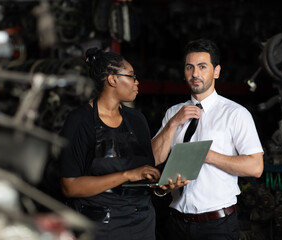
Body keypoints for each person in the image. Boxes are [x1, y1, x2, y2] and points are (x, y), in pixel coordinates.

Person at [59, 47, 187, 240]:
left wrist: (161, 187)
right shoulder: (79, 121)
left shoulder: (137, 119)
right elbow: (70, 186)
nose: (137, 82)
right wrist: (127, 175)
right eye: (131, 76)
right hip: (100, 224)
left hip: (141, 222)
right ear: (112, 79)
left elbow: (143, 173)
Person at [151, 38, 264, 240]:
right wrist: (173, 124)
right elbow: (155, 159)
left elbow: (255, 167)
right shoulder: (173, 112)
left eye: (202, 67)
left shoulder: (235, 113)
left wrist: (206, 155)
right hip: (176, 222)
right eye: (189, 67)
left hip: (217, 225)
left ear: (216, 71)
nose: (195, 74)